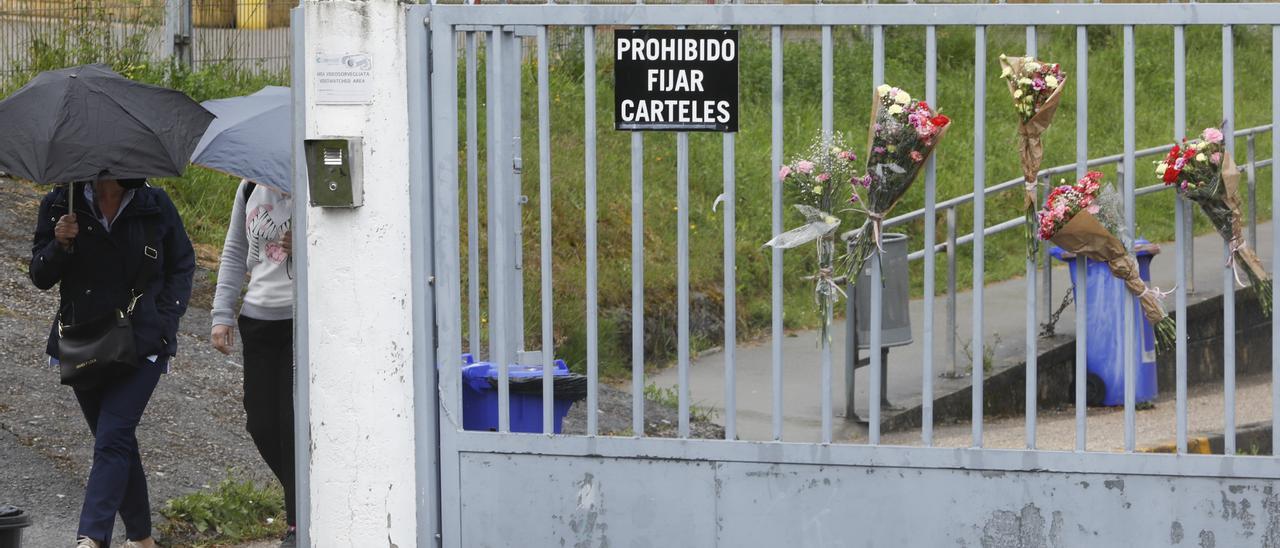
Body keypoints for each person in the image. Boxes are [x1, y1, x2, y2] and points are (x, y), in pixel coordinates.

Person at [30, 178, 195, 548]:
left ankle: (91, 537)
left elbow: (182, 265)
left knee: (113, 439)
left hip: (142, 342)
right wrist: (60, 244)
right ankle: (142, 539)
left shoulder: (154, 203)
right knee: (116, 442)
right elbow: (40, 276)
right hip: (83, 342)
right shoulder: (61, 202)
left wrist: (166, 320)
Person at [210, 179, 296, 547]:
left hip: (301, 319)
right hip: (258, 320)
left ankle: (297, 523)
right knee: (260, 424)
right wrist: (221, 313)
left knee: (292, 424)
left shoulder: (309, 186)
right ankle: (309, 496)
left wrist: (310, 246)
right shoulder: (247, 187)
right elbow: (234, 251)